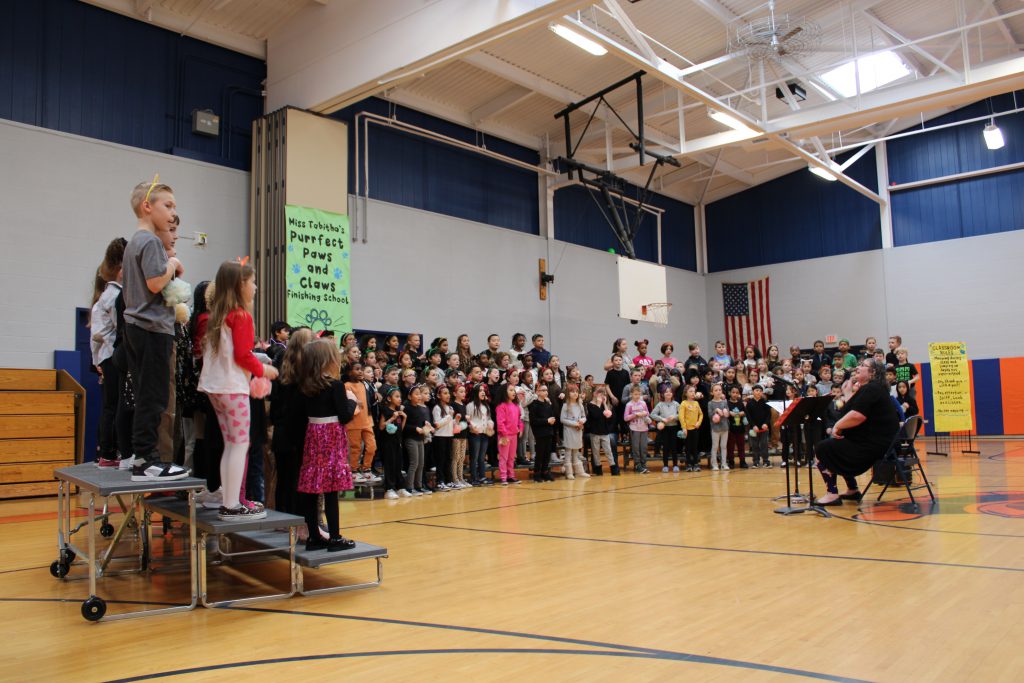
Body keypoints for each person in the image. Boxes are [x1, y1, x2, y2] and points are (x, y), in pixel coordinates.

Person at [197, 260, 278, 519]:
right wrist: (264, 370)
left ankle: (229, 500)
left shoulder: (217, 316)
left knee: (232, 444)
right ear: (240, 284)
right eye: (252, 282)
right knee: (240, 444)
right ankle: (232, 504)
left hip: (215, 387)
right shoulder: (241, 316)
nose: (255, 287)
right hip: (232, 387)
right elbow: (244, 355)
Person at [122, 179, 190, 481]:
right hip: (151, 328)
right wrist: (172, 264)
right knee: (154, 395)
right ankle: (145, 459)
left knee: (146, 393)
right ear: (147, 206)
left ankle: (142, 455)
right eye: (168, 206)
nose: (173, 214)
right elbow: (154, 283)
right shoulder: (149, 242)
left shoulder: (135, 241)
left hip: (138, 325)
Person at [813, 359, 901, 506]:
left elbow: (857, 416)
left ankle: (832, 494)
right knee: (838, 444)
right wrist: (847, 393)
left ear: (872, 373)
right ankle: (852, 489)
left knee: (822, 448)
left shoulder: (871, 389)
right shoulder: (873, 388)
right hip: (881, 444)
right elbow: (855, 409)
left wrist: (837, 426)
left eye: (863, 366)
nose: (858, 367)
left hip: (874, 446)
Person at [296, 339, 356, 550]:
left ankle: (314, 536)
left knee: (313, 487)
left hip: (313, 435)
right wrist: (352, 401)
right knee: (331, 490)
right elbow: (345, 416)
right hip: (331, 436)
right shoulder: (336, 385)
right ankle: (335, 537)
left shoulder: (305, 385)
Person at [91, 237, 127, 468]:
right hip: (112, 355)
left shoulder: (105, 295)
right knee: (114, 405)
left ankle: (108, 451)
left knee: (110, 405)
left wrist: (97, 360)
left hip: (105, 355)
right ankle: (109, 452)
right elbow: (117, 327)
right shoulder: (114, 295)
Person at [268, 327, 313, 515]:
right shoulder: (305, 370)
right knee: (295, 478)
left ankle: (281, 517)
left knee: (284, 478)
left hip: (281, 430)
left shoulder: (283, 365)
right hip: (297, 431)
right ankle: (297, 520)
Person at [402, 384, 433, 495]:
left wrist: (425, 424)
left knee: (421, 463)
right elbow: (404, 426)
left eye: (420, 394)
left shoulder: (418, 408)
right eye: (416, 394)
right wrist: (415, 428)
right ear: (410, 397)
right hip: (411, 439)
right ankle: (410, 487)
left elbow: (420, 422)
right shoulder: (407, 407)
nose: (419, 396)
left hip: (420, 439)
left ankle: (418, 486)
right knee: (414, 463)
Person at [586, 385, 618, 475]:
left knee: (608, 451)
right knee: (596, 452)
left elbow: (608, 415)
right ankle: (598, 470)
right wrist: (599, 404)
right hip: (595, 432)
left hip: (605, 432)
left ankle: (613, 469)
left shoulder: (604, 405)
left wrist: (604, 404)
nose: (601, 396)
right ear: (594, 394)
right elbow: (596, 415)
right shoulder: (590, 405)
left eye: (603, 394)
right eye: (599, 393)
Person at [495, 383, 523, 484]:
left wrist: (521, 428)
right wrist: (504, 434)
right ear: (504, 392)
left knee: (511, 457)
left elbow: (520, 419)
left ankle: (511, 475)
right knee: (504, 457)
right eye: (510, 390)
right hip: (504, 436)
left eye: (513, 390)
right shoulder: (501, 406)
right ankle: (503, 477)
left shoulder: (516, 406)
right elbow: (500, 422)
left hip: (514, 435)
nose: (513, 392)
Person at [529, 383, 557, 482]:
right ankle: (536, 474)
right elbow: (534, 421)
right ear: (537, 392)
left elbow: (552, 415)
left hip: (549, 431)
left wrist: (552, 420)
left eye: (546, 390)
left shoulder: (547, 404)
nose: (546, 392)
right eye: (543, 390)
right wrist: (546, 421)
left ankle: (545, 472)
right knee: (540, 454)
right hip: (540, 433)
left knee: (547, 454)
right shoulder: (534, 405)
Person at [559, 384, 588, 480]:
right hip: (569, 431)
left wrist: (581, 421)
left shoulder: (580, 405)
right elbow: (562, 419)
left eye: (576, 391)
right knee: (568, 451)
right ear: (568, 393)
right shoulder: (565, 406)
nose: (575, 393)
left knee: (576, 451)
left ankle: (579, 472)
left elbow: (584, 416)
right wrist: (575, 424)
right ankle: (569, 472)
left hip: (578, 430)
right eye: (572, 391)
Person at [465, 384, 492, 486]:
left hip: (484, 434)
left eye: (483, 390)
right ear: (475, 392)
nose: (483, 392)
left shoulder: (486, 405)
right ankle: (473, 477)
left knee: (482, 457)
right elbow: (468, 419)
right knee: (474, 457)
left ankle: (482, 476)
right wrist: (473, 427)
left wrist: (490, 425)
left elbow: (488, 419)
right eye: (480, 390)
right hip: (475, 434)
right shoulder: (470, 405)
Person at [431, 385, 456, 490]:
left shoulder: (450, 408)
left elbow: (450, 423)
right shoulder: (436, 408)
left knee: (448, 459)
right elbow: (437, 424)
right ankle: (440, 481)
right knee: (440, 460)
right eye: (445, 393)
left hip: (449, 436)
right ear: (438, 395)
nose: (448, 395)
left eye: (448, 393)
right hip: (439, 437)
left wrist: (456, 420)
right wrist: (449, 416)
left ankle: (448, 480)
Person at [650, 387, 680, 472]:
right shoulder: (660, 404)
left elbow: (681, 414)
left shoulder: (676, 404)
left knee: (674, 447)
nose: (668, 393)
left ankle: (675, 465)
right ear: (663, 394)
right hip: (664, 428)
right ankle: (665, 465)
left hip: (674, 427)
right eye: (666, 392)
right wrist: (662, 419)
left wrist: (674, 417)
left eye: (670, 392)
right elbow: (652, 414)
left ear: (672, 394)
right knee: (665, 447)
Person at [745, 384, 771, 468]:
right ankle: (755, 461)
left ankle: (766, 461)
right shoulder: (749, 403)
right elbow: (748, 416)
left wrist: (766, 423)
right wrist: (753, 426)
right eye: (756, 390)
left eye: (760, 391)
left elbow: (768, 415)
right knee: (754, 445)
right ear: (753, 392)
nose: (758, 392)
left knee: (764, 444)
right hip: (754, 428)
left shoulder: (765, 402)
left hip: (764, 428)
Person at [678, 385, 703, 471]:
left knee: (695, 447)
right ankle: (688, 464)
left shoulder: (696, 403)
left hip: (695, 429)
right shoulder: (683, 403)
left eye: (694, 391)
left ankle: (695, 464)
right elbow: (681, 417)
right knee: (688, 447)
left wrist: (698, 423)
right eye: (690, 391)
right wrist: (684, 428)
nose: (693, 393)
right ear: (686, 393)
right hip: (687, 430)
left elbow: (701, 414)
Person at [451, 383, 470, 488]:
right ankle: (455, 478)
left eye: (464, 391)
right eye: (461, 392)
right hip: (456, 435)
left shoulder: (464, 405)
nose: (464, 393)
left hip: (464, 434)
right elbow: (454, 421)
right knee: (455, 457)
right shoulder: (453, 405)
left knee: (462, 457)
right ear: (454, 393)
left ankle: (461, 477)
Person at [707, 383, 730, 471]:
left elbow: (727, 413)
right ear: (712, 392)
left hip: (725, 427)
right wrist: (716, 411)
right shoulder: (710, 403)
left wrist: (725, 411)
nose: (718, 392)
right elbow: (709, 415)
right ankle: (714, 464)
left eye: (720, 390)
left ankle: (724, 464)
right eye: (716, 390)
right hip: (715, 428)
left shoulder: (724, 402)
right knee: (715, 446)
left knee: (724, 446)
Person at [726, 386, 747, 468]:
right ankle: (731, 461)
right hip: (730, 428)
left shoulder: (741, 403)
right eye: (733, 392)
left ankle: (742, 461)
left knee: (741, 446)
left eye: (737, 393)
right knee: (730, 446)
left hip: (740, 428)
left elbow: (745, 412)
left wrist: (742, 413)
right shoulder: (727, 403)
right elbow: (725, 412)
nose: (735, 394)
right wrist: (729, 412)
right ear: (729, 393)